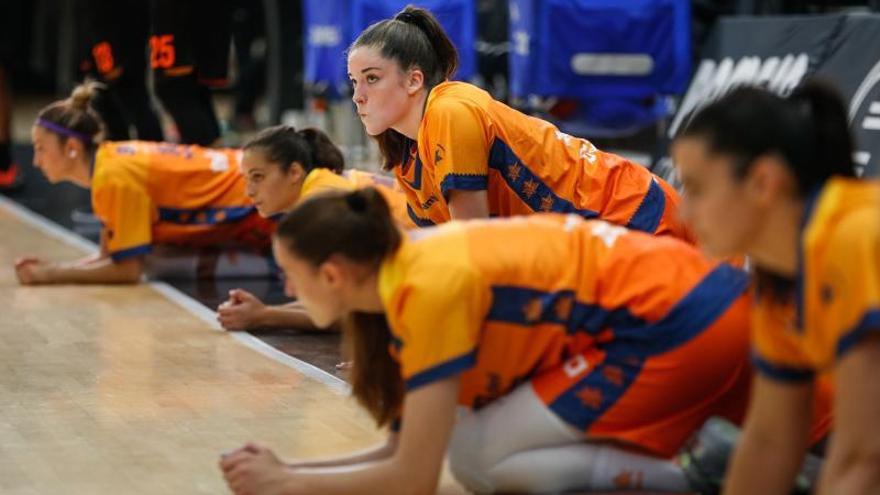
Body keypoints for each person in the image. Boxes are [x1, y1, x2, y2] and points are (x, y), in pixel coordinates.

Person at [218, 189, 831, 495]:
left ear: (331, 275)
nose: (283, 284)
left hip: (677, 322)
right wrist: (290, 467)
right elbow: (406, 445)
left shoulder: (426, 287)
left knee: (477, 459)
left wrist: (290, 483)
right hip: (685, 303)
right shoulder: (407, 269)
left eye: (289, 275)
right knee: (471, 444)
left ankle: (693, 474)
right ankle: (715, 461)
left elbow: (413, 476)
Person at [672, 80, 879, 494]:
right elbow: (769, 443)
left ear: (763, 182)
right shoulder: (778, 280)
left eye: (696, 189)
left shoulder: (857, 239)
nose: (683, 213)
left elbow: (864, 460)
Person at [346, 6, 691, 241]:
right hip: (596, 239)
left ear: (413, 80)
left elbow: (473, 251)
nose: (357, 96)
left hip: (634, 217)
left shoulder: (449, 110)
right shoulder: (407, 155)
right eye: (353, 81)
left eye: (372, 78)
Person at [14, 83, 274, 285]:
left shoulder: (112, 178)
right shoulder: (110, 159)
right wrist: (52, 269)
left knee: (156, 263)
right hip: (262, 181)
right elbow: (111, 256)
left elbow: (127, 271)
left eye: (41, 149)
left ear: (71, 148)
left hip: (265, 205)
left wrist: (51, 275)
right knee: (156, 255)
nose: (36, 161)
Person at [217, 125, 411, 331]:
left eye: (258, 177)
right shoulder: (321, 188)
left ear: (294, 172)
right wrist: (263, 311)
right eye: (246, 179)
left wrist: (265, 316)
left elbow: (350, 312)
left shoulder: (321, 204)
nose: (249, 191)